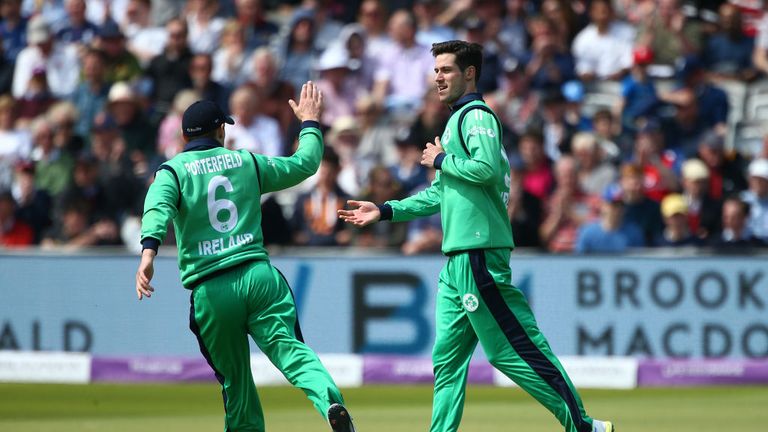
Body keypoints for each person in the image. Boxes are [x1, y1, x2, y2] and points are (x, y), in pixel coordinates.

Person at [338, 40, 613, 432]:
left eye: (447, 69)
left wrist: (441, 160)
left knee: (512, 350)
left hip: (478, 253)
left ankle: (582, 425)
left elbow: (483, 169)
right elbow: (441, 192)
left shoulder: (476, 115)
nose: (438, 77)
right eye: (436, 71)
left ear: (469, 73)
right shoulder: (456, 122)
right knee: (446, 360)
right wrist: (385, 210)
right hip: (457, 260)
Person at [134, 82, 356, 432]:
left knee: (235, 383)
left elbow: (157, 208)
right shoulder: (246, 162)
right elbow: (305, 164)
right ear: (221, 129)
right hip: (258, 277)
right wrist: (310, 123)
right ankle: (328, 399)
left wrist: (149, 252)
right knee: (292, 352)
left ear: (183, 136)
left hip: (211, 289)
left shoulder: (172, 171)